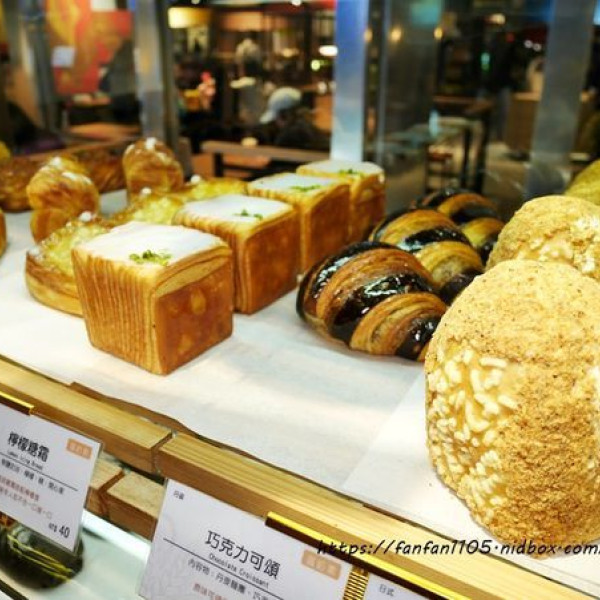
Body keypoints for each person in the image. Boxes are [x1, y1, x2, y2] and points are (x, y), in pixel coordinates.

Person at [253, 87, 329, 151]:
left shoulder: (289, 136)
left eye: (276, 118)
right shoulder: (307, 127)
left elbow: (277, 163)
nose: (275, 123)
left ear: (284, 115)